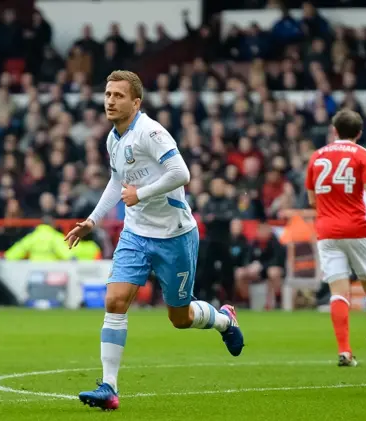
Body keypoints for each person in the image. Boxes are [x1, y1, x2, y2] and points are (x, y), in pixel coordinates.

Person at [64, 70, 244, 411]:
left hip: (174, 235)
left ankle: (224, 320)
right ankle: (109, 387)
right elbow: (117, 183)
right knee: (115, 301)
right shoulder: (113, 139)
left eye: (118, 95)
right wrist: (92, 220)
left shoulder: (151, 132)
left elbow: (182, 174)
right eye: (107, 95)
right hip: (136, 234)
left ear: (136, 102)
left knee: (180, 317)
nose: (110, 101)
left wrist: (142, 193)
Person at [305, 109, 366, 367]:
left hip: (326, 231)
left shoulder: (316, 157)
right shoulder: (362, 155)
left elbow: (312, 200)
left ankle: (345, 352)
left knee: (338, 292)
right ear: (359, 132)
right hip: (357, 228)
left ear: (334, 131)